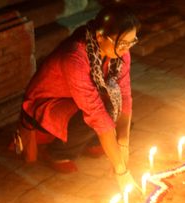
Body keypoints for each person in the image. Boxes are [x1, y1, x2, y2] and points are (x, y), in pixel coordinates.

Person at [15, 4, 141, 191]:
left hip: (78, 98)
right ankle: (57, 153)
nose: (126, 49)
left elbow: (124, 95)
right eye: (122, 43)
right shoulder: (75, 57)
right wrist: (121, 171)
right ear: (100, 37)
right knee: (101, 117)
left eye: (132, 42)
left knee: (121, 120)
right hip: (48, 102)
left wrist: (123, 143)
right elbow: (96, 114)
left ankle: (92, 142)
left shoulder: (120, 52)